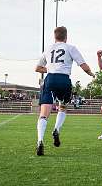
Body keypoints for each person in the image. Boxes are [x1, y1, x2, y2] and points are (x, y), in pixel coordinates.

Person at [35, 26, 95, 156]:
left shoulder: (48, 49)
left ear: (54, 37)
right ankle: (56, 129)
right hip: (64, 80)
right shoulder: (70, 48)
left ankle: (40, 141)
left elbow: (38, 68)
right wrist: (91, 73)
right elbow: (82, 65)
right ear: (66, 37)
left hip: (50, 79)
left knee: (44, 114)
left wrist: (51, 69)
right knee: (62, 107)